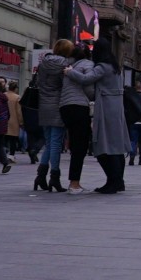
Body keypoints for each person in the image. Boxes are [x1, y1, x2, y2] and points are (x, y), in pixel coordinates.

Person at [64, 38, 130, 194]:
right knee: (116, 146)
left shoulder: (102, 67)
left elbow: (86, 78)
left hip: (106, 107)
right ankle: (117, 181)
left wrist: (69, 71)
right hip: (117, 108)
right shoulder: (115, 67)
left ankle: (113, 181)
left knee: (104, 146)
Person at [35, 39, 73, 192]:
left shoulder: (43, 63)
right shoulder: (65, 64)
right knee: (56, 144)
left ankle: (40, 176)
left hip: (43, 105)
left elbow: (38, 82)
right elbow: (67, 84)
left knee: (49, 143)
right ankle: (54, 178)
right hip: (58, 105)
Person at [59, 44, 95, 195]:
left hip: (64, 106)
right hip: (79, 106)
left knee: (74, 144)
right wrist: (93, 96)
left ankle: (73, 182)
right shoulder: (88, 64)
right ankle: (74, 184)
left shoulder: (69, 66)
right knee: (80, 146)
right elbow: (88, 85)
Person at [4, 82, 24, 163]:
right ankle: (11, 156)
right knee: (13, 139)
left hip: (4, 119)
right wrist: (21, 122)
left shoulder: (3, 95)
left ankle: (3, 153)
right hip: (14, 121)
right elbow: (19, 111)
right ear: (16, 89)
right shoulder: (17, 97)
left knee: (5, 138)